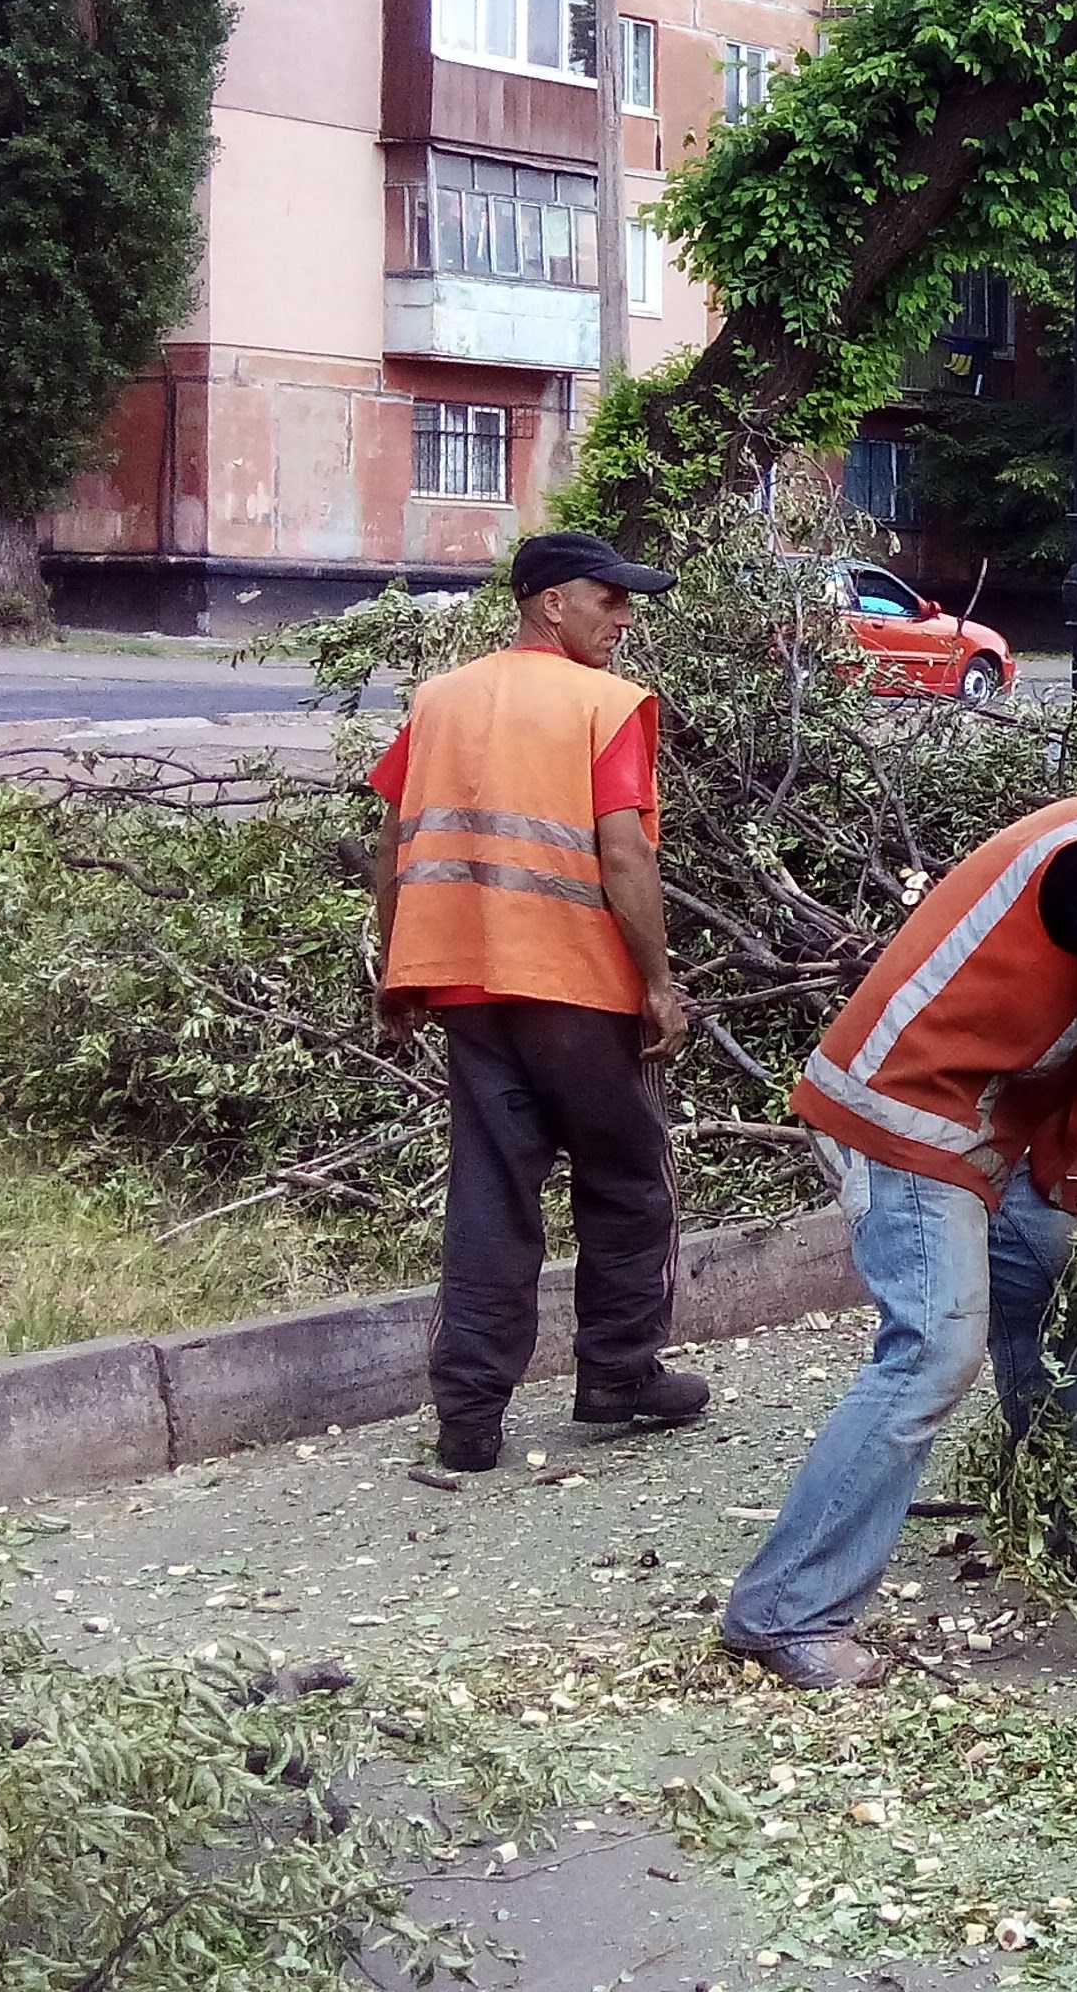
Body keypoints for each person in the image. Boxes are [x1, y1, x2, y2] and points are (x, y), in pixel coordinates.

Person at [717, 687, 1077, 1690]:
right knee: (932, 1352)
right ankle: (785, 1612)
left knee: (1055, 1280)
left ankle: (1062, 1520)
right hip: (909, 1114)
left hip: (959, 1116)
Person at [369, 532, 710, 1477]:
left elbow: (397, 842)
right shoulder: (607, 705)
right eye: (610, 597)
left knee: (490, 1195)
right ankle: (621, 1374)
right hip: (575, 986)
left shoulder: (437, 700)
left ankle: (468, 1422)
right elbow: (625, 855)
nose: (626, 616)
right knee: (630, 1176)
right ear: (551, 604)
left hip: (465, 989)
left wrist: (397, 976)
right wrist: (657, 982)